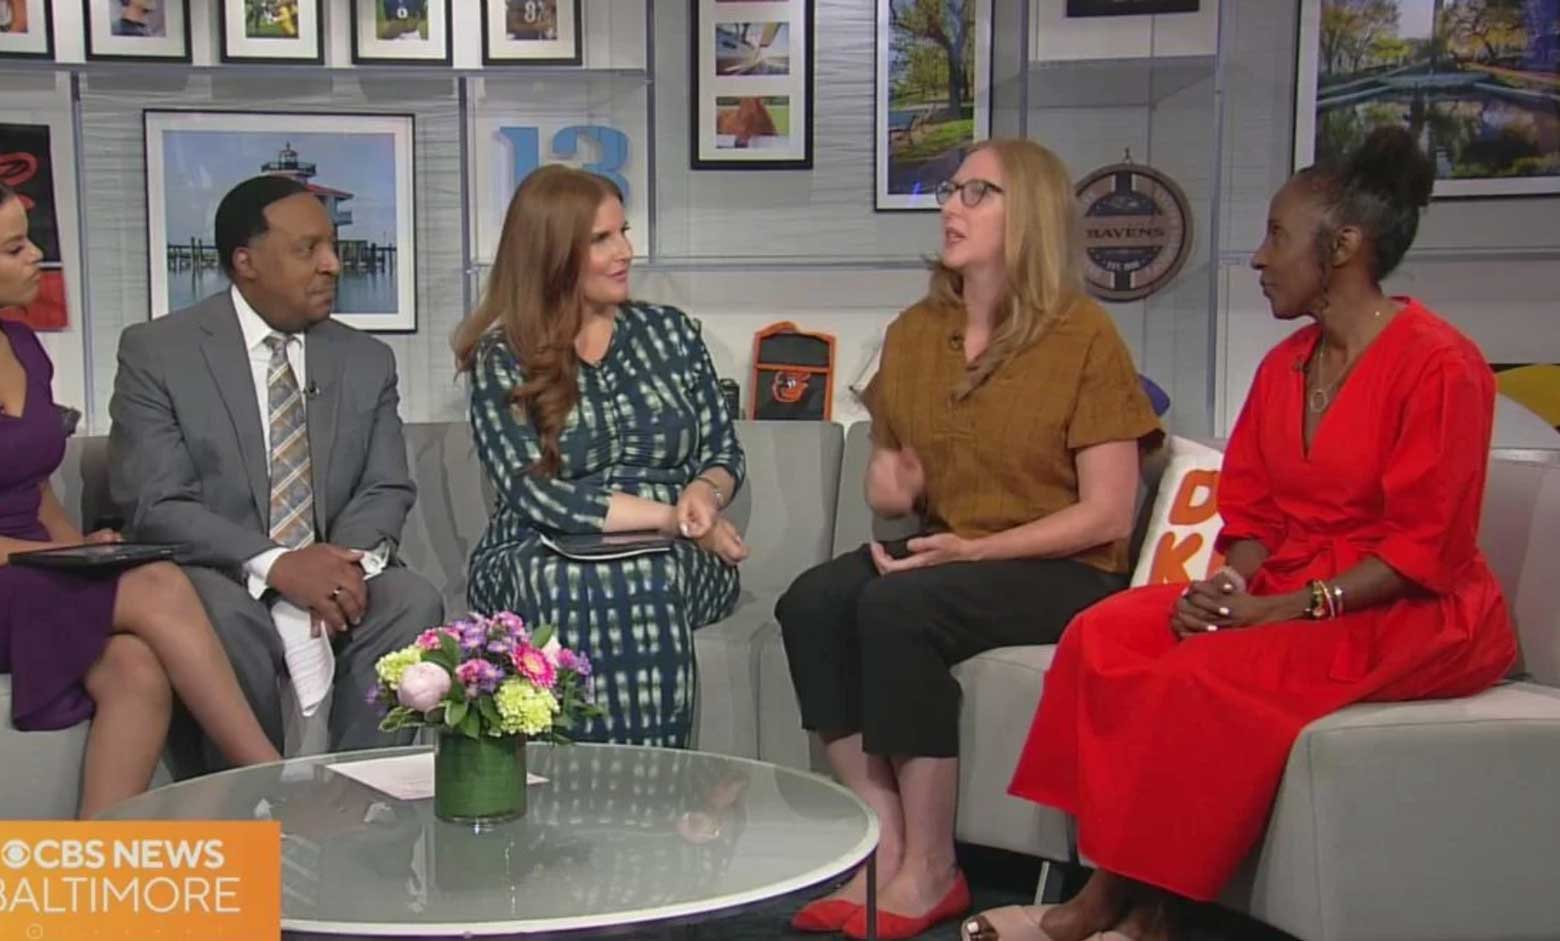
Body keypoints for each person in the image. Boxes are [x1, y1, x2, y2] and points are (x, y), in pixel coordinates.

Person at [965, 127, 1521, 941]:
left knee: (1201, 672)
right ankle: (1113, 892)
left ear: (1343, 246)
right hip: (1288, 584)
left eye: (1276, 236)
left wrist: (1281, 609)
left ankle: (1133, 910)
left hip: (1406, 608)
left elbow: (1422, 550)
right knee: (1103, 636)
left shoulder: (1443, 365)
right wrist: (1233, 584)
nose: (1259, 258)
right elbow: (1254, 512)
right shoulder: (1286, 362)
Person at [773, 138, 1160, 940]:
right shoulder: (916, 332)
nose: (952, 206)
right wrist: (890, 489)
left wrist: (976, 550)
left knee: (899, 607)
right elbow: (890, 484)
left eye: (977, 193)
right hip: (948, 551)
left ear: (1032, 215)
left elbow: (1109, 514)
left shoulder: (1084, 336)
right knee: (811, 601)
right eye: (952, 190)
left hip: (1063, 565)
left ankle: (934, 867)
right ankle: (883, 847)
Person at [0, 167, 279, 819]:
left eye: (30, 239)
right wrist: (67, 562)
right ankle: (269, 779)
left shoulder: (22, 346)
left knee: (134, 666)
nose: (37, 255)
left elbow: (32, 489)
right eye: (14, 248)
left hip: (25, 575)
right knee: (157, 583)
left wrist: (83, 549)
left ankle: (97, 863)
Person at [109, 175, 442, 775]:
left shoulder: (366, 359)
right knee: (224, 615)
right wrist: (279, 564)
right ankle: (254, 798)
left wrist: (339, 567)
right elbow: (155, 502)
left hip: (335, 566)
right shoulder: (159, 351)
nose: (332, 264)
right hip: (222, 570)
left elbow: (386, 484)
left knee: (411, 599)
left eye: (332, 246)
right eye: (307, 249)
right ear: (247, 262)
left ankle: (358, 796)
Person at [453, 165, 748, 748]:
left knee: (645, 572)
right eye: (601, 240)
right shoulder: (503, 358)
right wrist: (671, 517)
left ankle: (648, 783)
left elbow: (722, 451)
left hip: (676, 555)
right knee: (562, 580)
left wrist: (703, 496)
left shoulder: (671, 334)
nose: (625, 252)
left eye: (624, 232)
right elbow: (537, 494)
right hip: (538, 545)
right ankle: (576, 786)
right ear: (552, 253)